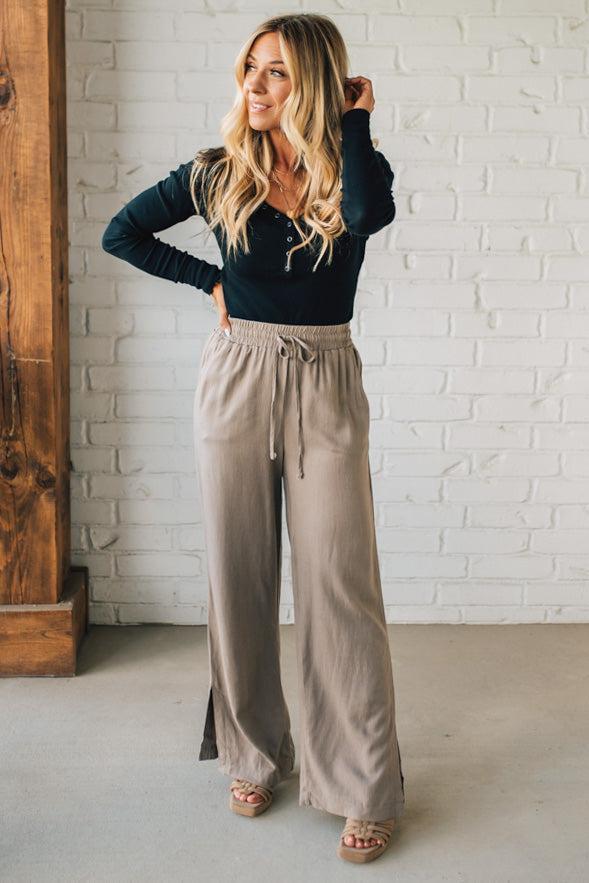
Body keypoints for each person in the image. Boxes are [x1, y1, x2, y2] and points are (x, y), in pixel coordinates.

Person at [102, 12, 405, 865]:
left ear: (310, 82)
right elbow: (120, 232)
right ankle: (251, 754)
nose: (253, 86)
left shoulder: (352, 169)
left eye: (274, 73)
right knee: (237, 573)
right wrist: (210, 283)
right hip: (235, 375)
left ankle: (362, 783)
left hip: (323, 380)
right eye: (249, 70)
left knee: (339, 584)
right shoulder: (215, 171)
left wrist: (354, 119)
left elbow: (366, 216)